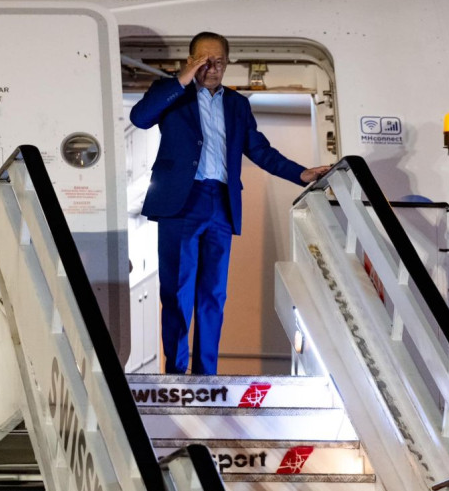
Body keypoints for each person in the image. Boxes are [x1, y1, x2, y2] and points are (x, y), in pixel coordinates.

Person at [130, 31, 329, 375]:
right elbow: (140, 117)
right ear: (191, 62)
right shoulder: (172, 93)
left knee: (213, 295)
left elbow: (260, 150)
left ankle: (206, 374)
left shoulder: (237, 104)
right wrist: (182, 79)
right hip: (181, 203)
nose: (212, 68)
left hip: (221, 203)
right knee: (177, 291)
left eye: (219, 62)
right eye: (204, 62)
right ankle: (177, 372)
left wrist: (300, 173)